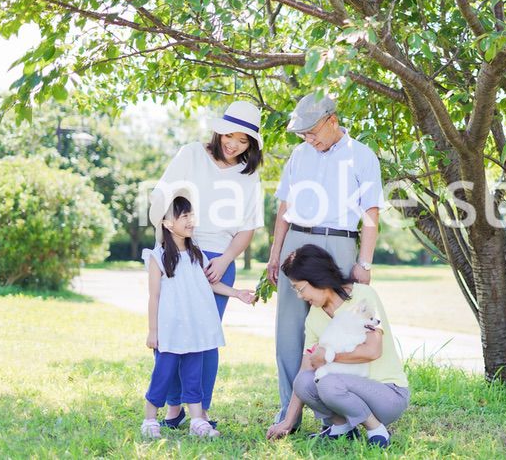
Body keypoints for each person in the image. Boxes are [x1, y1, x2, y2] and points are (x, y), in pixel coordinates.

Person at [266, 93, 385, 429]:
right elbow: (284, 207)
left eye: (312, 131)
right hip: (296, 240)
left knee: (338, 329)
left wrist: (365, 263)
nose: (308, 138)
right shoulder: (298, 154)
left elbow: (371, 213)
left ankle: (331, 415)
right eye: (303, 134)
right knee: (288, 331)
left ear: (332, 120)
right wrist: (275, 253)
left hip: (339, 242)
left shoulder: (362, 155)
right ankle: (287, 412)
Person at [149, 100, 263, 428]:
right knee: (171, 332)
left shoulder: (249, 176)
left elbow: (247, 228)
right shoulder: (191, 154)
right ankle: (173, 408)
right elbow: (162, 198)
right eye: (230, 136)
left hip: (218, 260)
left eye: (243, 141)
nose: (234, 145)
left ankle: (202, 411)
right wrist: (170, 245)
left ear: (251, 145)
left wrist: (224, 260)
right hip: (179, 252)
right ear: (219, 131)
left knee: (205, 339)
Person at [266, 245, 409, 448]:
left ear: (318, 278)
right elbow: (306, 368)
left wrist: (328, 356)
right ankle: (342, 428)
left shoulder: (362, 296)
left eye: (300, 288)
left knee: (327, 382)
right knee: (304, 382)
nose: (299, 296)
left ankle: (377, 430)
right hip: (345, 389)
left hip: (387, 394)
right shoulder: (314, 316)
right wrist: (288, 421)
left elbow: (373, 350)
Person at [140, 192, 255, 439]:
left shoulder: (196, 253)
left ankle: (196, 421)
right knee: (163, 373)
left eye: (192, 215)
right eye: (184, 216)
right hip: (171, 329)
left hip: (196, 329)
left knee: (193, 375)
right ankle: (150, 419)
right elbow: (154, 297)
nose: (191, 220)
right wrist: (153, 331)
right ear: (167, 223)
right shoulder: (157, 257)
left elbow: (211, 284)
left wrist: (237, 293)